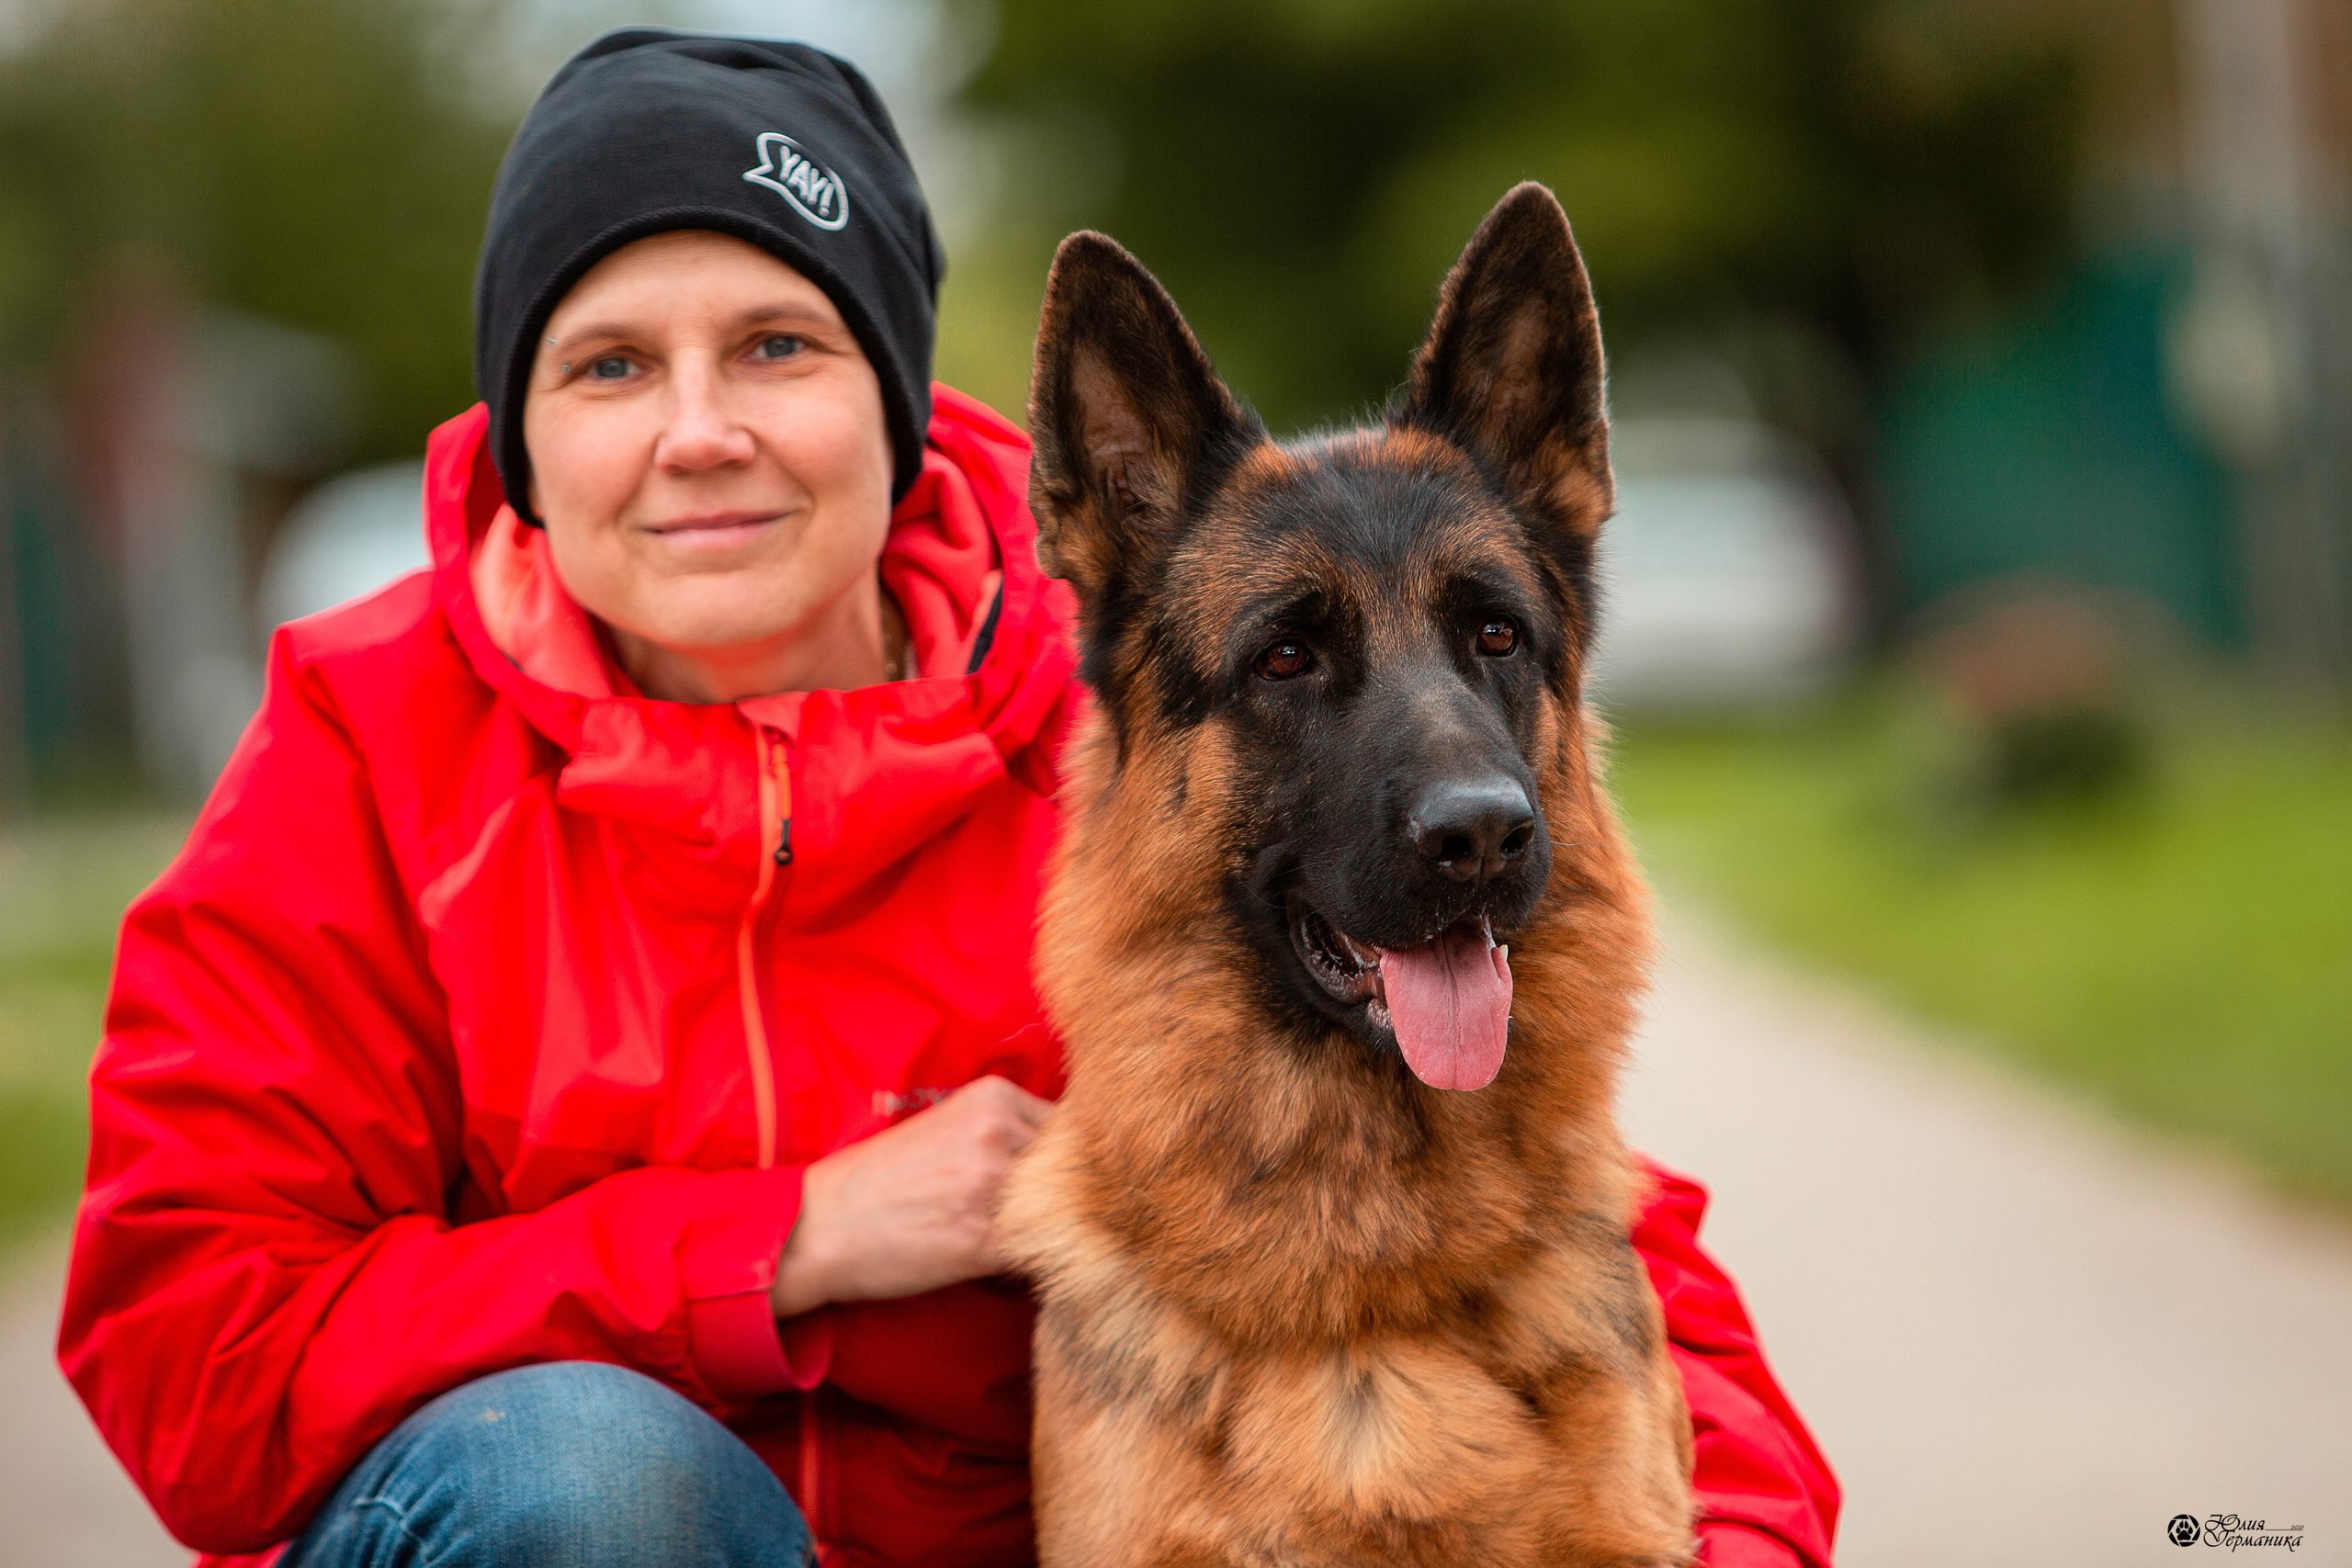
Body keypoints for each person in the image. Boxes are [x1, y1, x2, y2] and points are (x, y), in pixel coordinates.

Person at [58, 28, 1839, 1568]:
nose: (696, 429)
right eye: (608, 364)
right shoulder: (364, 745)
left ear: (895, 400)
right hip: (574, 1526)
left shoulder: (1103, 746)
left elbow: (1565, 1225)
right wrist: (783, 1238)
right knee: (590, 1487)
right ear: (523, 430)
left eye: (776, 344)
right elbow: (184, 1339)